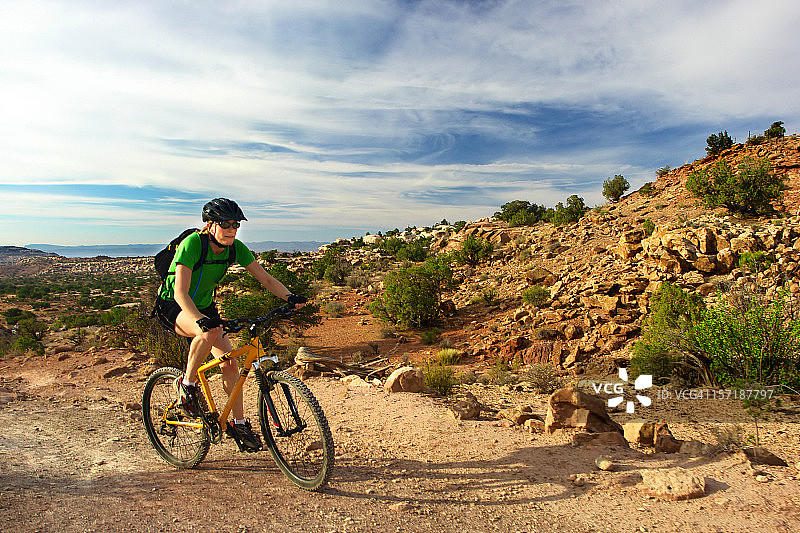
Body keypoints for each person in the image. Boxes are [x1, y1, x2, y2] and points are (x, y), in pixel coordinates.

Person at [155, 198, 306, 452]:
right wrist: (199, 320)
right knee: (209, 331)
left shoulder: (235, 248)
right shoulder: (193, 244)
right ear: (210, 225)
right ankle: (187, 386)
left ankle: (240, 424)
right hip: (174, 304)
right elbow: (181, 292)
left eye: (235, 224)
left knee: (230, 362)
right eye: (225, 224)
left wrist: (289, 296)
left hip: (204, 306)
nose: (232, 229)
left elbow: (265, 279)